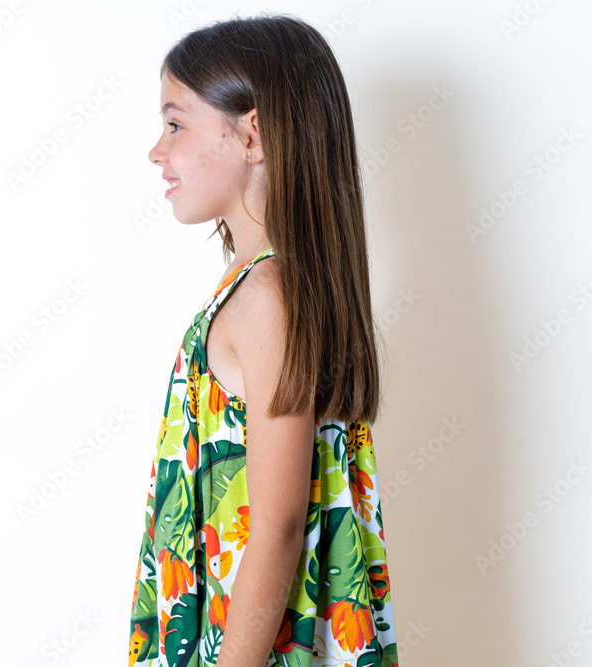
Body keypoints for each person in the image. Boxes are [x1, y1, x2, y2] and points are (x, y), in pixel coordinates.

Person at [128, 13, 398, 667]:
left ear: (252, 135)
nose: (157, 151)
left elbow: (277, 528)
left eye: (175, 124)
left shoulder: (267, 299)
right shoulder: (256, 284)